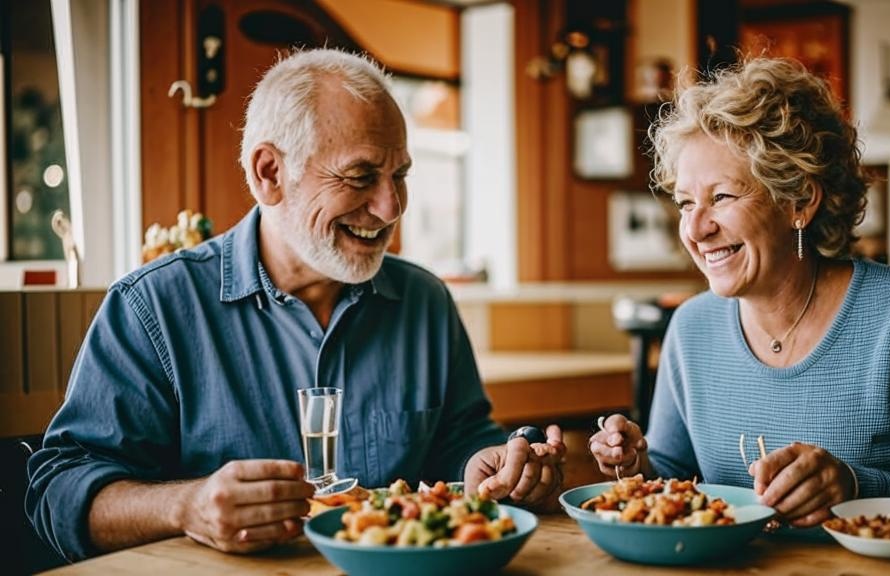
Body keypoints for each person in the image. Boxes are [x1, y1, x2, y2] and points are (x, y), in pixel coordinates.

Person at [26, 49, 564, 561]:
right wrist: (185, 507)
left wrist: (495, 466)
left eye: (399, 175)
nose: (390, 206)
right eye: (360, 176)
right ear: (269, 173)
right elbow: (59, 492)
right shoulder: (153, 308)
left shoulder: (426, 301)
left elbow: (463, 445)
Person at [589, 57, 890, 527]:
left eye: (721, 197)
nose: (696, 229)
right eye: (684, 203)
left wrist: (857, 488)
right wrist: (634, 466)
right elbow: (676, 478)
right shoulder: (690, 328)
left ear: (799, 200)